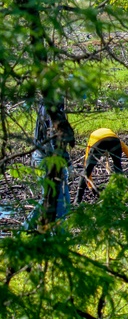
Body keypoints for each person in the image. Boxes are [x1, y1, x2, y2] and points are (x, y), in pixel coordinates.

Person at [25, 98, 75, 228]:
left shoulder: (48, 103)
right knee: (52, 198)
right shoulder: (53, 109)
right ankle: (28, 229)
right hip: (47, 157)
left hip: (46, 155)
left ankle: (60, 230)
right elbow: (55, 142)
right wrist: (68, 163)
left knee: (63, 199)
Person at [75, 128, 128, 202]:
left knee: (87, 170)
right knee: (118, 167)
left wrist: (91, 187)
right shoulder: (112, 136)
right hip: (114, 140)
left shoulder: (91, 143)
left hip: (99, 142)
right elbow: (125, 148)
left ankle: (78, 199)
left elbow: (87, 167)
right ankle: (123, 194)